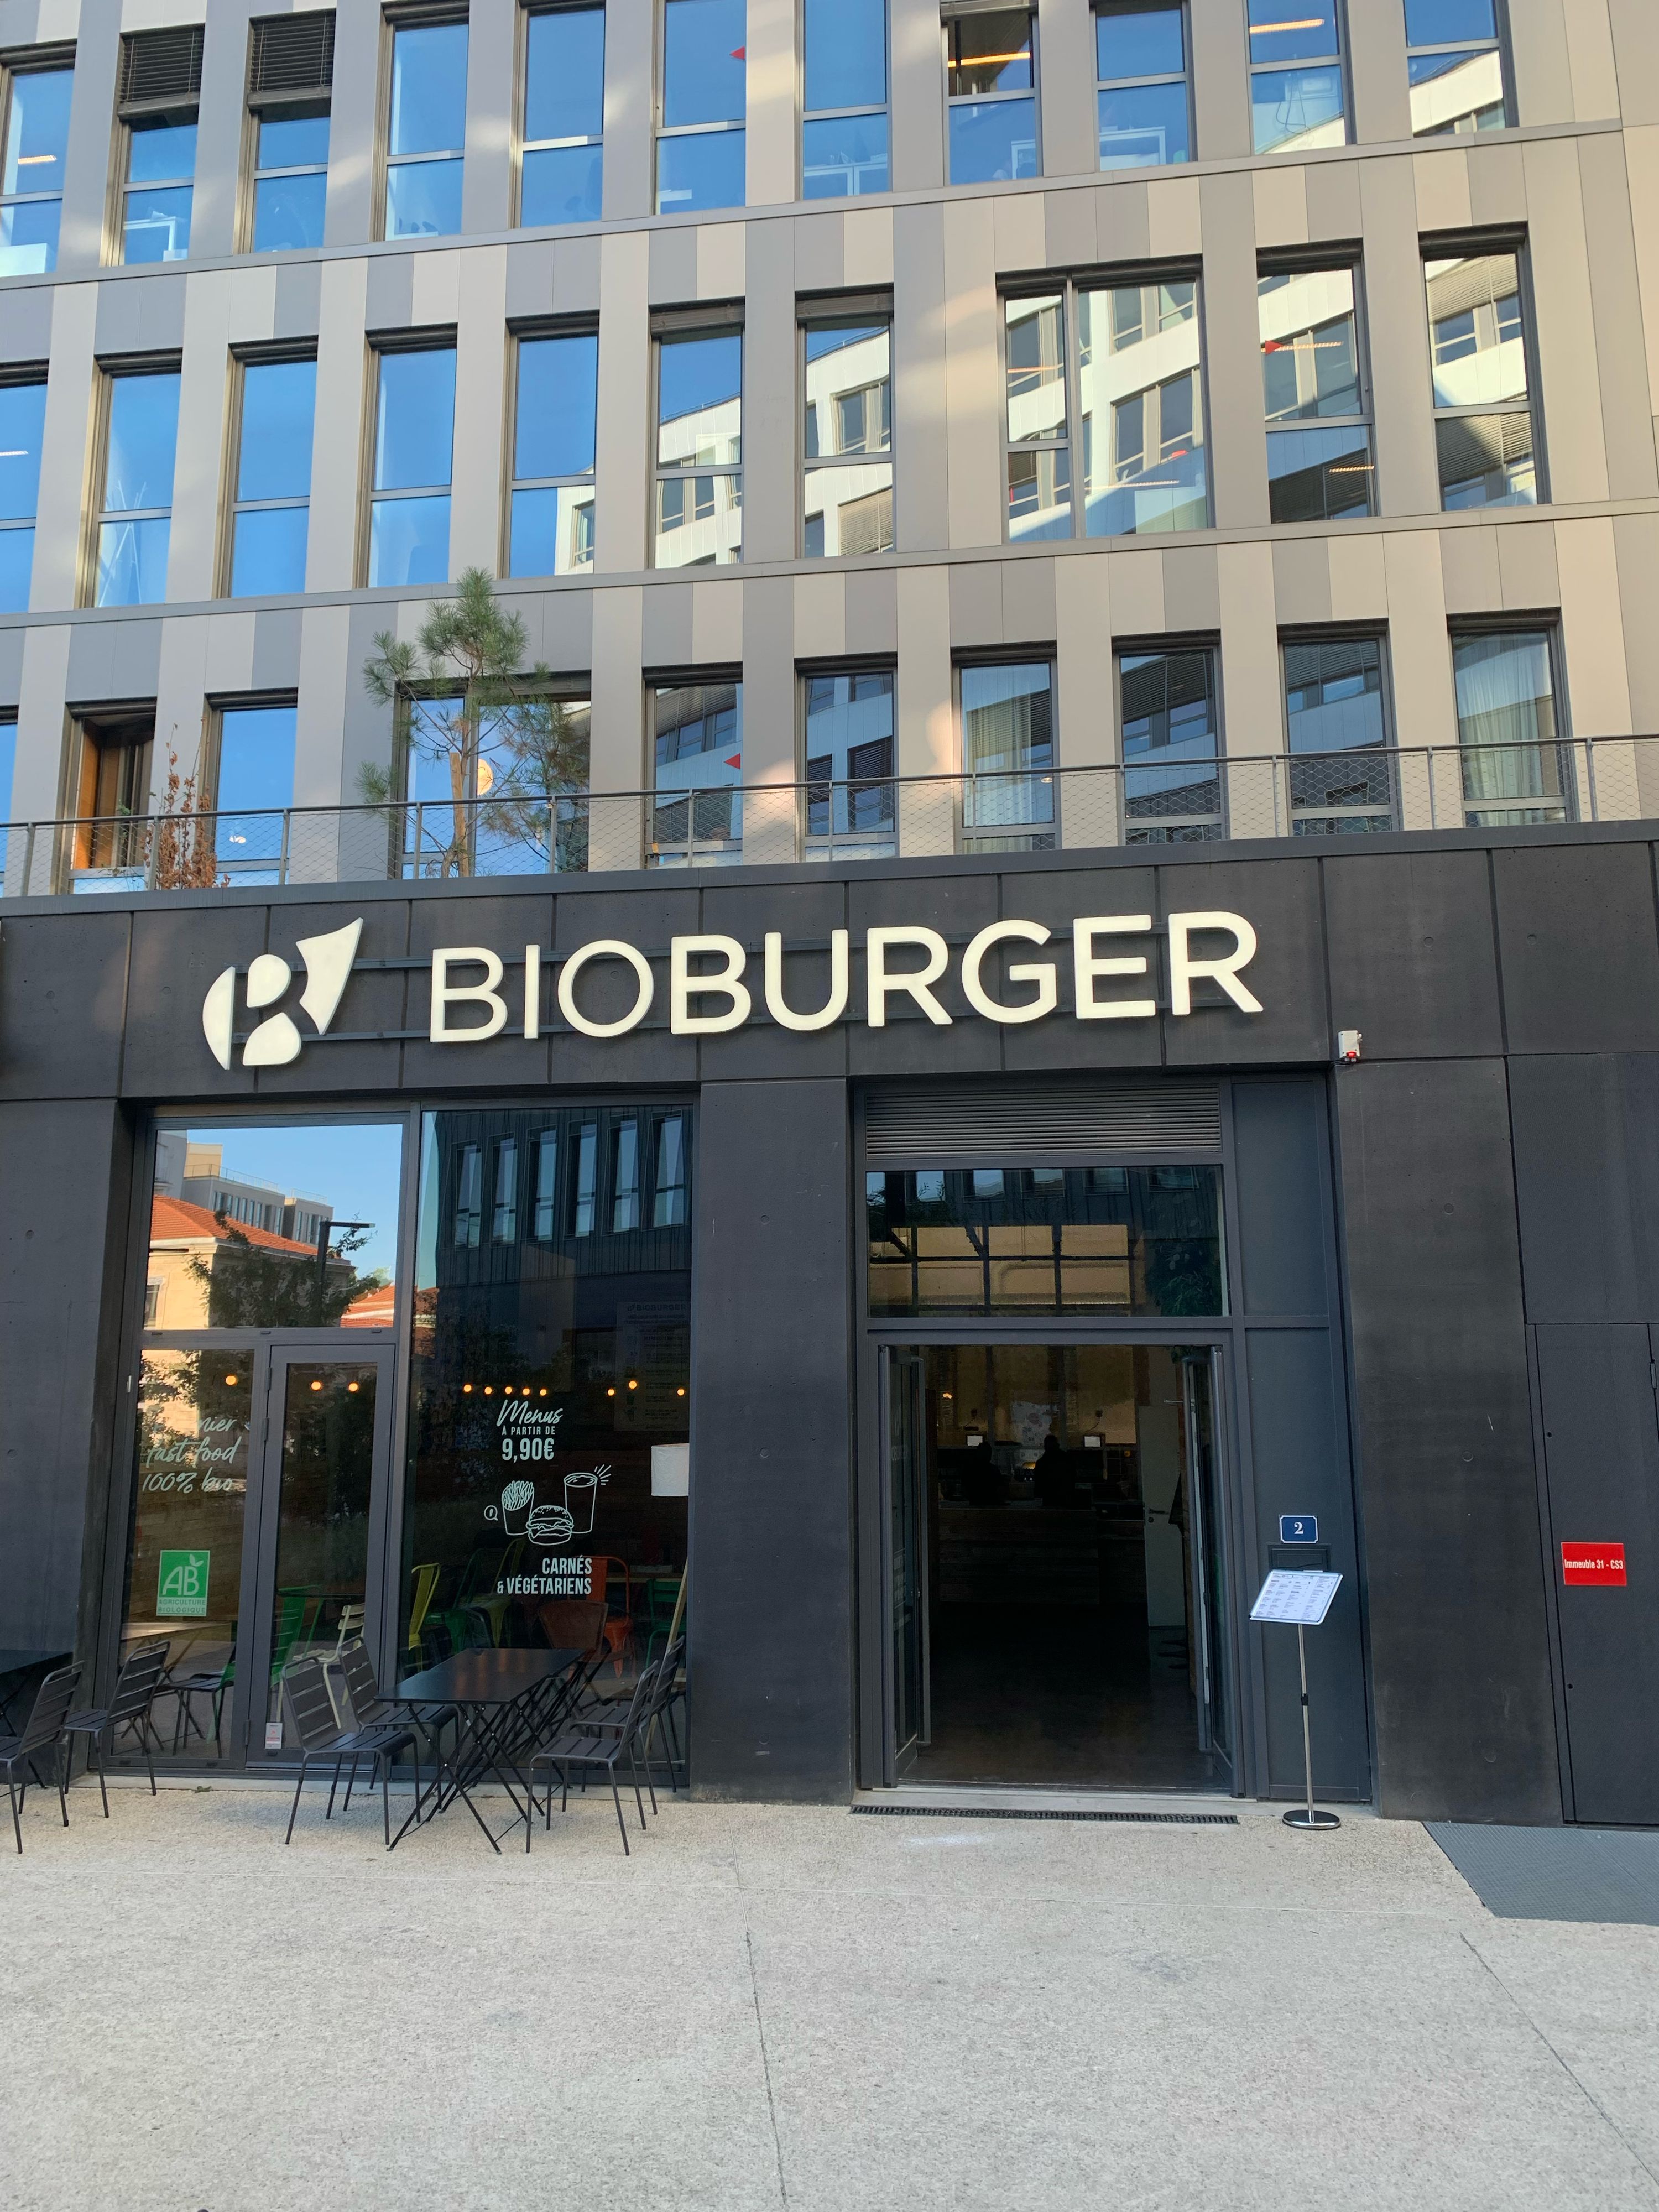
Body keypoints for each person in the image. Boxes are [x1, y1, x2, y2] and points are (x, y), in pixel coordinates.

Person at [1034, 1433, 1076, 1510]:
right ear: (1057, 1445)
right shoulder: (1067, 1459)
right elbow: (1072, 1478)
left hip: (1048, 1498)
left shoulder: (1042, 1462)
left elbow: (1038, 1483)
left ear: (1045, 1447)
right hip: (1065, 1498)